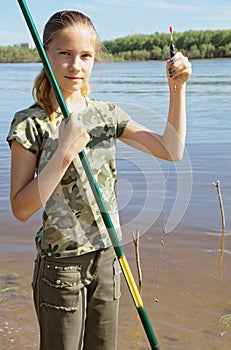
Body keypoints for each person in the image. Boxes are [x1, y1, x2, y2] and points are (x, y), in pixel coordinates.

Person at [7, 10, 192, 350]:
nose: (76, 65)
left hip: (109, 257)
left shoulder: (107, 115)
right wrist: (63, 153)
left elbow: (171, 150)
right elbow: (21, 208)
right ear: (45, 53)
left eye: (86, 56)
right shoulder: (30, 124)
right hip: (61, 266)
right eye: (64, 53)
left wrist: (177, 89)